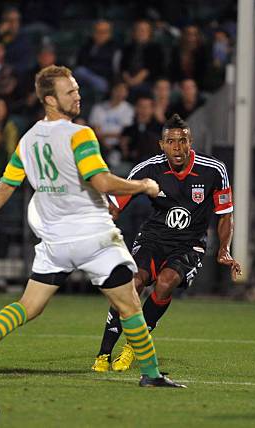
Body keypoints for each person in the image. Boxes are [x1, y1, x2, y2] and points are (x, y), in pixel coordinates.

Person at [0, 65, 184, 388]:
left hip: (55, 242)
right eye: (71, 92)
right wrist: (142, 186)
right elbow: (100, 180)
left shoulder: (27, 141)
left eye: (78, 89)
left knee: (28, 306)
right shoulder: (79, 134)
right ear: (51, 100)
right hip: (93, 238)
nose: (78, 95)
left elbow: (4, 186)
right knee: (129, 305)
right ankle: (151, 375)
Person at [92, 114, 241, 372]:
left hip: (189, 244)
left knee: (165, 282)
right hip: (153, 237)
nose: (177, 147)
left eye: (182, 141)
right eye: (170, 141)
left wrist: (224, 249)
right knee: (133, 283)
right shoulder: (148, 169)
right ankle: (103, 354)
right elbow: (115, 206)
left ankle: (132, 348)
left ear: (190, 142)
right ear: (162, 145)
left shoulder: (214, 170)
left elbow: (225, 213)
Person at [88, 82, 133, 168]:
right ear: (112, 91)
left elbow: (125, 133)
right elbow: (97, 132)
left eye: (123, 91)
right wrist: (106, 143)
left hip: (120, 145)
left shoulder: (129, 109)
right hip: (100, 145)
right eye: (118, 90)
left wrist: (108, 136)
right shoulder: (98, 108)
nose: (120, 93)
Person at [119, 20, 165, 100]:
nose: (141, 33)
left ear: (149, 33)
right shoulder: (127, 48)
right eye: (138, 30)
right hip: (127, 79)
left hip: (148, 80)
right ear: (134, 33)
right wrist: (128, 79)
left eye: (144, 30)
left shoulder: (155, 48)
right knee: (118, 89)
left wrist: (134, 81)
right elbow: (123, 67)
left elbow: (151, 69)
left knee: (136, 90)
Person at [73, 20, 120, 95]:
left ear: (110, 34)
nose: (100, 35)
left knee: (81, 72)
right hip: (85, 76)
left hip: (103, 80)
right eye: (98, 31)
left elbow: (111, 69)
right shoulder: (87, 46)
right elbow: (80, 62)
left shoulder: (114, 48)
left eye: (104, 32)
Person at [119, 96, 163, 164]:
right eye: (141, 106)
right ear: (136, 108)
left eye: (146, 107)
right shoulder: (128, 129)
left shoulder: (159, 128)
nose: (143, 110)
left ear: (152, 109)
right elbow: (124, 150)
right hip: (133, 163)